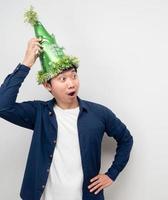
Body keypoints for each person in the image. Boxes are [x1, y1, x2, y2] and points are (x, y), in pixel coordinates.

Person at [0, 37, 133, 200]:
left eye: (74, 76)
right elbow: (2, 106)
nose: (71, 84)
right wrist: (26, 63)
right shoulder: (39, 113)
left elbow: (126, 139)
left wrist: (112, 174)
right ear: (48, 86)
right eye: (62, 79)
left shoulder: (99, 113)